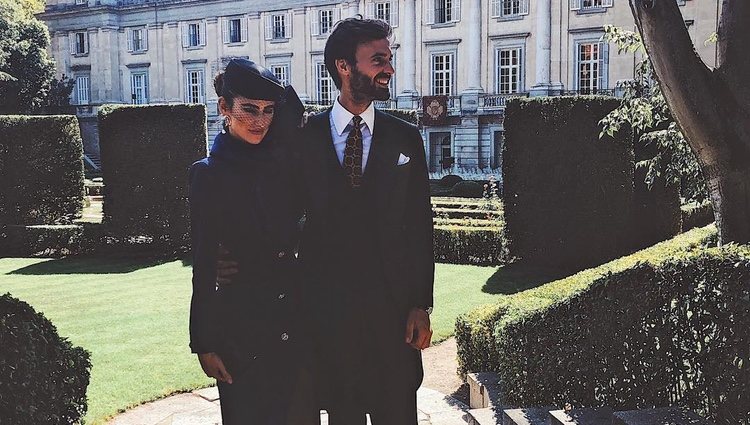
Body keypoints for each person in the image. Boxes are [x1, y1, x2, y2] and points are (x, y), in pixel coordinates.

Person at [297, 16, 435, 425]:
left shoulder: (405, 137)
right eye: (378, 59)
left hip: (393, 323)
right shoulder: (304, 138)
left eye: (388, 59)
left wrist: (420, 303)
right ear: (344, 67)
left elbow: (419, 227)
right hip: (329, 322)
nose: (388, 68)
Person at [188, 58, 311, 425]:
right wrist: (204, 342)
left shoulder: (283, 165)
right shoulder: (208, 174)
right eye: (249, 109)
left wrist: (274, 97)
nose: (260, 121)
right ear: (224, 108)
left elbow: (294, 110)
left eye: (268, 110)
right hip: (243, 333)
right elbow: (204, 261)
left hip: (295, 324)